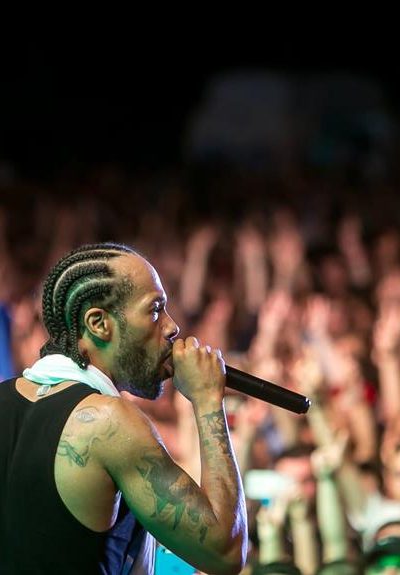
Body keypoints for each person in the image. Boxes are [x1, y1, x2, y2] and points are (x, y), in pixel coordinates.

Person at [0, 242, 248, 575]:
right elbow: (225, 552)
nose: (172, 327)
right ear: (99, 323)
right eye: (155, 310)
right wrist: (207, 400)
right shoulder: (109, 423)